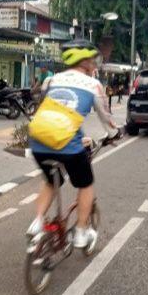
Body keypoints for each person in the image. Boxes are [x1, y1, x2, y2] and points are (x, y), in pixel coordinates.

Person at [26, 40, 119, 251]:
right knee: (85, 184)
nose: (95, 64)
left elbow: (50, 113)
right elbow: (107, 120)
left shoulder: (50, 80)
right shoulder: (93, 85)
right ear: (85, 61)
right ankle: (80, 231)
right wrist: (114, 134)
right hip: (67, 144)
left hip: (39, 140)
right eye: (93, 60)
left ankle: (37, 222)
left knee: (51, 182)